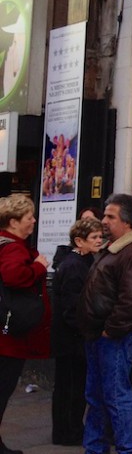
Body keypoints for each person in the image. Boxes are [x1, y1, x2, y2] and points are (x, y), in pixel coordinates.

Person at [79, 193, 132, 454]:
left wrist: (110, 329)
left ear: (127, 223)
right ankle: (95, 449)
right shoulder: (116, 248)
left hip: (114, 337)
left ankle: (128, 450)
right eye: (105, 215)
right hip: (100, 336)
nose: (104, 221)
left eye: (111, 216)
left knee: (116, 397)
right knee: (98, 397)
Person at [0, 194, 50, 454]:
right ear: (13, 221)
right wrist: (39, 267)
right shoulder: (13, 247)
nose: (33, 221)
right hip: (9, 337)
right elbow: (14, 276)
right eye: (28, 217)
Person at [51, 217, 104, 445]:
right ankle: (68, 432)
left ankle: (69, 430)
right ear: (79, 241)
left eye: (100, 236)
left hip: (74, 336)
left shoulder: (82, 261)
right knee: (71, 387)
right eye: (94, 237)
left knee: (72, 387)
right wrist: (87, 330)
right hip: (72, 339)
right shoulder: (74, 266)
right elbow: (71, 308)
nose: (99, 241)